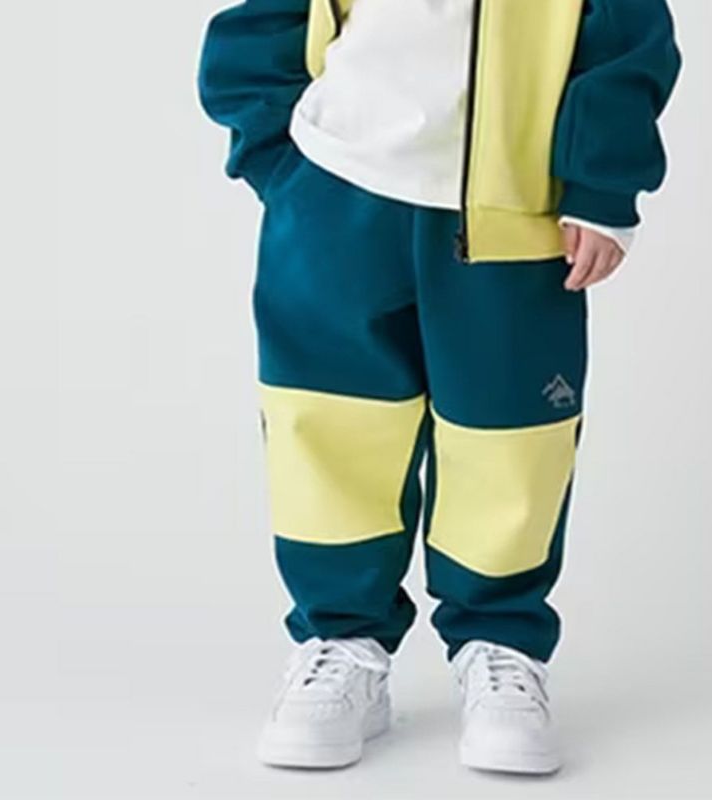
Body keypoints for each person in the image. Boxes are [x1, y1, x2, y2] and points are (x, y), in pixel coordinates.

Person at [198, 0, 681, 774]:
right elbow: (263, 18)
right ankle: (341, 640)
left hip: (516, 209)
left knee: (510, 440)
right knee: (330, 425)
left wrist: (601, 184)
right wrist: (276, 155)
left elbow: (627, 40)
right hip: (334, 190)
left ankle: (501, 645)